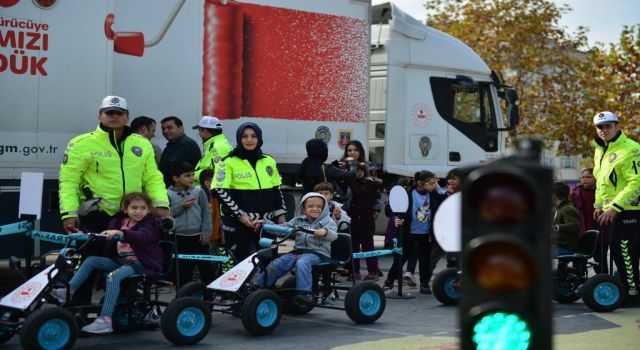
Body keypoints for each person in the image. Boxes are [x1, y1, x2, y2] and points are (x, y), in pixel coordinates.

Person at [59, 96, 169, 304]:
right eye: (109, 113)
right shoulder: (82, 143)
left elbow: (153, 178)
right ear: (100, 115)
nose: (114, 117)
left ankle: (123, 311)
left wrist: (162, 205)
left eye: (119, 113)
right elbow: (68, 181)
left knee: (131, 264)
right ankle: (77, 312)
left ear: (127, 117)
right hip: (96, 216)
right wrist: (69, 213)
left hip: (131, 218)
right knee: (89, 265)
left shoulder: (141, 144)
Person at [51, 192, 165, 334]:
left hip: (140, 263)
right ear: (126, 209)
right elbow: (102, 236)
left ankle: (105, 320)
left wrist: (122, 234)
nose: (138, 211)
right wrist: (81, 233)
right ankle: (69, 292)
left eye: (142, 208)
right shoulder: (119, 222)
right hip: (120, 261)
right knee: (91, 260)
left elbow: (143, 237)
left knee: (113, 276)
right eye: (134, 208)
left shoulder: (151, 224)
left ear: (148, 210)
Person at [213, 122, 287, 262]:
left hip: (266, 224)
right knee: (237, 264)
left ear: (259, 138)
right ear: (239, 139)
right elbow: (220, 191)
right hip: (237, 224)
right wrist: (240, 215)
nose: (249, 140)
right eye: (244, 136)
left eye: (253, 136)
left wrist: (281, 215)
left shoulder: (268, 161)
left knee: (269, 262)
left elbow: (276, 190)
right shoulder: (227, 162)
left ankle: (263, 285)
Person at [253, 192, 337, 303]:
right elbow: (282, 229)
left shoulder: (328, 222)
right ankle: (258, 287)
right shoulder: (298, 221)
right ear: (304, 209)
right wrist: (265, 223)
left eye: (319, 207)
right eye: (311, 206)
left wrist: (325, 231)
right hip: (298, 252)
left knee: (302, 262)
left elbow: (333, 234)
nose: (315, 209)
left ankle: (305, 292)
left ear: (324, 208)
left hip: (318, 253)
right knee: (277, 262)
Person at [591, 111, 640, 298]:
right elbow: (601, 181)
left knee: (624, 251)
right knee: (618, 250)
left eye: (608, 126)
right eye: (600, 127)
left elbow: (636, 183)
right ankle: (630, 288)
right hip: (612, 211)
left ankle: (633, 292)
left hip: (631, 210)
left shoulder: (631, 149)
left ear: (617, 126)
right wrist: (598, 205)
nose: (604, 130)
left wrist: (614, 208)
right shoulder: (600, 150)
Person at [384, 170, 447, 294]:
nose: (434, 185)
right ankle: (389, 281)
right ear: (420, 183)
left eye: (436, 183)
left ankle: (424, 283)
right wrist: (398, 219)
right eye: (431, 183)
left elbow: (444, 200)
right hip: (408, 232)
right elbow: (398, 208)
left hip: (425, 234)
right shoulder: (408, 193)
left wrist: (438, 188)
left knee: (425, 260)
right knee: (400, 259)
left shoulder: (433, 194)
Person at [167, 162, 214, 288]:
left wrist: (206, 231)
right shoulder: (168, 193)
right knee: (182, 271)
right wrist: (181, 207)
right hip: (179, 238)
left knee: (206, 269)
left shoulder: (199, 192)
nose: (192, 178)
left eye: (193, 175)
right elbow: (166, 215)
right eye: (187, 175)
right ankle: (182, 299)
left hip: (198, 237)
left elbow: (206, 212)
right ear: (176, 178)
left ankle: (210, 297)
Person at [347, 162, 381, 281]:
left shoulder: (369, 182)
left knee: (368, 246)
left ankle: (373, 272)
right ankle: (355, 271)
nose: (357, 173)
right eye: (355, 171)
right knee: (353, 246)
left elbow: (359, 192)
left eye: (359, 170)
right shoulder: (357, 182)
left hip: (365, 220)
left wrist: (351, 179)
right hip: (354, 218)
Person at [570, 167, 607, 272]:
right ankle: (578, 285)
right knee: (578, 265)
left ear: (596, 178)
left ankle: (603, 284)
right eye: (582, 177)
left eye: (588, 177)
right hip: (582, 235)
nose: (584, 179)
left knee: (601, 264)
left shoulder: (603, 194)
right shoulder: (574, 194)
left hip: (601, 235)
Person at [159, 116, 201, 187]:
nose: (165, 131)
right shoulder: (173, 144)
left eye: (169, 128)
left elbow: (172, 170)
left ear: (181, 128)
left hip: (182, 192)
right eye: (163, 129)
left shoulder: (186, 144)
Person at [192, 115, 233, 185]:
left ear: (205, 131)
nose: (199, 133)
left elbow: (218, 174)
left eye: (199, 130)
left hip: (212, 193)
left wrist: (192, 175)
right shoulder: (216, 144)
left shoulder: (217, 147)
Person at [552, 181, 580, 256]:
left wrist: (556, 227)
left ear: (553, 196)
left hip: (565, 248)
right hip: (558, 245)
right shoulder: (558, 209)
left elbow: (574, 225)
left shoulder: (567, 209)